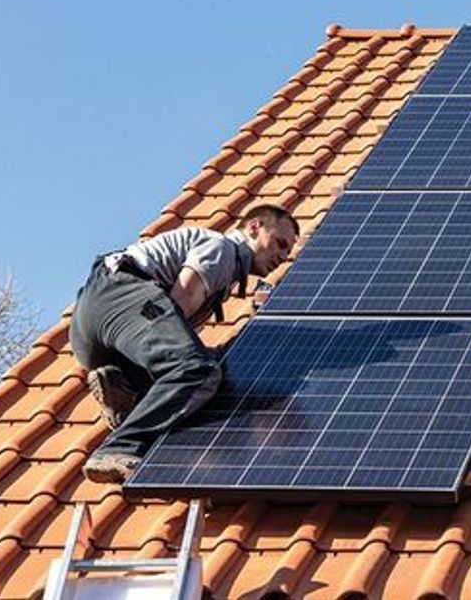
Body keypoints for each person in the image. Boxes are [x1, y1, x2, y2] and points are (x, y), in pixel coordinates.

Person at [69, 204, 299, 483]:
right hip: (122, 295)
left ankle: (125, 383)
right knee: (198, 370)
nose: (283, 257)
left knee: (179, 378)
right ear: (253, 227)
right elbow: (180, 303)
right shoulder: (221, 250)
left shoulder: (224, 269)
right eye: (280, 243)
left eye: (288, 252)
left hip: (92, 324)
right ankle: (120, 447)